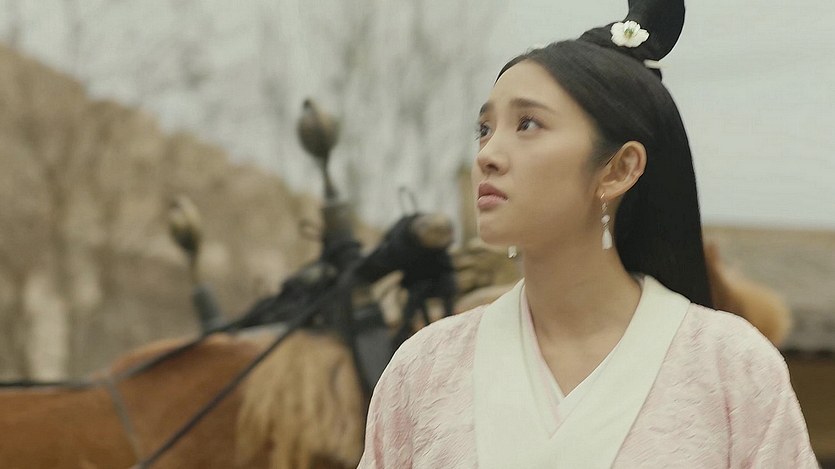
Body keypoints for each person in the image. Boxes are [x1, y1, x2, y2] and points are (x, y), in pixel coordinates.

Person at [357, 0, 818, 467]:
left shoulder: (732, 369)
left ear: (620, 169)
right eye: (484, 129)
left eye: (528, 124)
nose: (487, 155)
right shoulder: (425, 369)